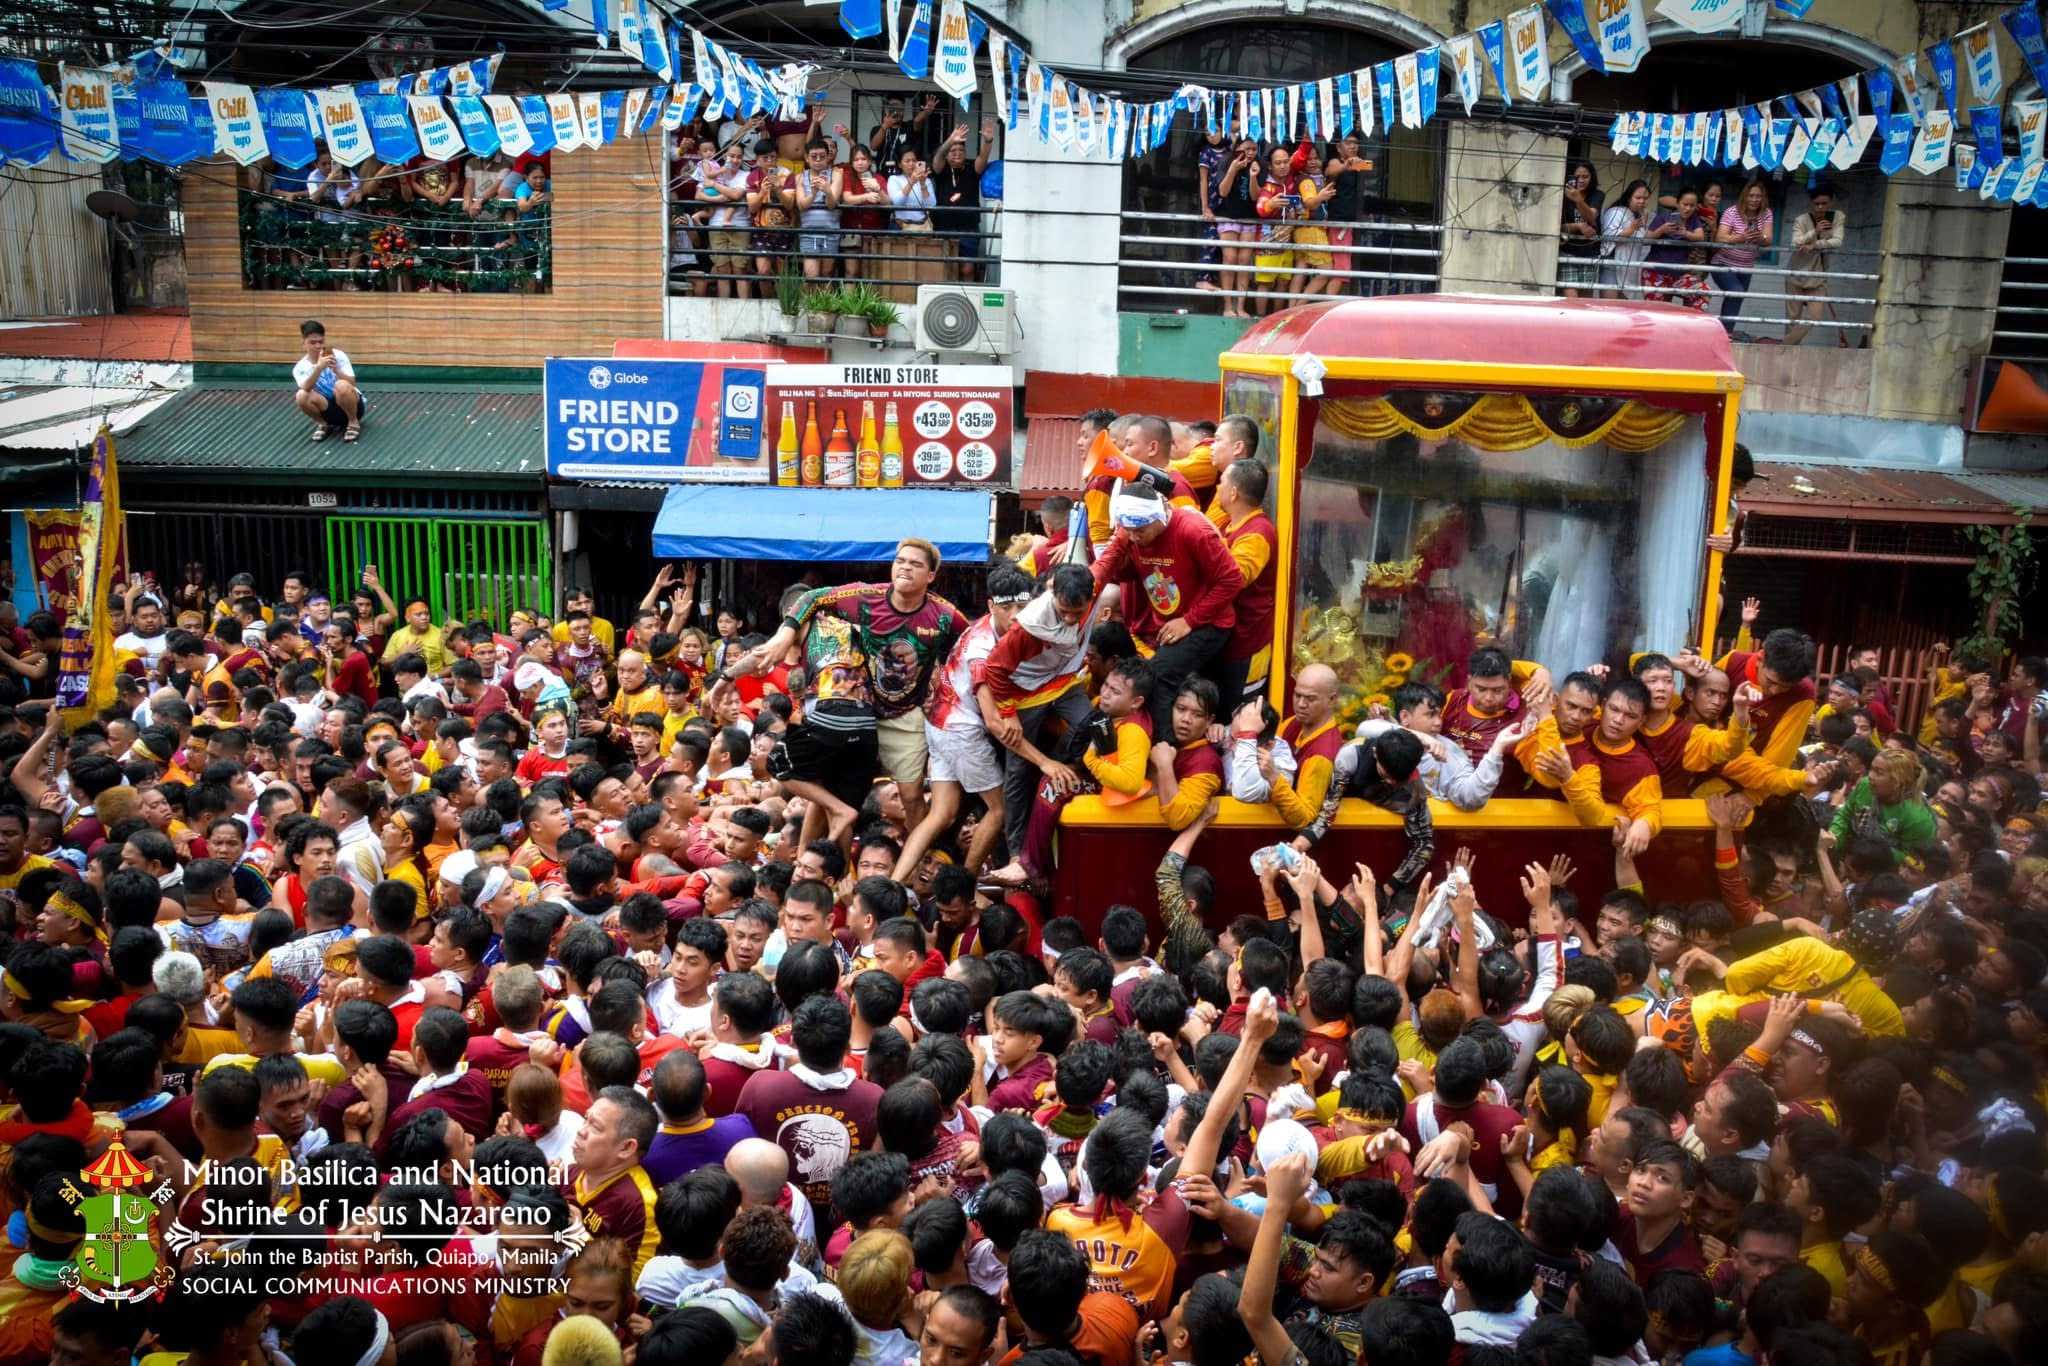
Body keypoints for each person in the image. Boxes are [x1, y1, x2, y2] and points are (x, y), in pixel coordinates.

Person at [727, 538, 964, 847]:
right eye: (900, 561)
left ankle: (920, 862)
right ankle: (809, 863)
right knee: (828, 789)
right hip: (858, 707)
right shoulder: (867, 596)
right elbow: (811, 598)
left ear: (930, 576)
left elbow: (967, 649)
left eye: (915, 564)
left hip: (905, 715)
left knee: (911, 796)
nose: (905, 567)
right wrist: (784, 634)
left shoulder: (945, 615)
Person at [1086, 481, 1243, 736]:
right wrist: (1083, 587)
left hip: (1208, 623)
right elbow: (1109, 560)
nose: (1134, 537)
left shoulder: (1194, 531)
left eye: (1141, 531)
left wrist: (1189, 621)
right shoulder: (1131, 530)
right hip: (1170, 625)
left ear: (1159, 516)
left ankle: (1164, 750)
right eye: (1130, 531)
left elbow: (1232, 580)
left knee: (1156, 679)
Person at [1785, 184, 1848, 346]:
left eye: (1824, 203)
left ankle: (1784, 346)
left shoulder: (1837, 217)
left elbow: (1838, 241)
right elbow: (1794, 243)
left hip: (1819, 274)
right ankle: (1790, 351)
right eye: (1816, 204)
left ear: (1831, 202)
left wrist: (1815, 245)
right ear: (1811, 203)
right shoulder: (1802, 219)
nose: (1820, 207)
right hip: (1797, 272)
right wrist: (1815, 231)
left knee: (1814, 317)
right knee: (1793, 318)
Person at [1713, 180, 1774, 336]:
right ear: (1744, 196)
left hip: (1746, 266)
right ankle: (1724, 333)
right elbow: (1720, 237)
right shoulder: (1731, 212)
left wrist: (1760, 237)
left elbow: (1768, 240)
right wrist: (1740, 237)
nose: (1754, 199)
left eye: (1758, 196)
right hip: (1723, 263)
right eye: (1751, 195)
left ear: (1763, 198)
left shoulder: (1767, 213)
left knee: (1737, 297)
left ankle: (1725, 333)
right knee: (1736, 291)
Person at [292, 319, 364, 444]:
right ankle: (323, 424)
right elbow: (306, 388)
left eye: (321, 342)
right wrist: (319, 368)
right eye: (312, 343)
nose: (317, 346)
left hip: (353, 406)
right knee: (301, 395)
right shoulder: (300, 367)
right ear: (304, 343)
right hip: (327, 409)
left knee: (341, 385)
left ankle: (353, 422)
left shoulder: (338, 355)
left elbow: (352, 383)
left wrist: (336, 369)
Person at [1643, 186, 1712, 312]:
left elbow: (1700, 236)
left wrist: (1686, 233)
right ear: (1677, 203)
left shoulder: (1694, 220)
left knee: (1703, 291)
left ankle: (1690, 326)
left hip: (1678, 274)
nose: (1688, 208)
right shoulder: (1663, 217)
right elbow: (1646, 238)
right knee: (1655, 311)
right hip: (1655, 272)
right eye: (1685, 204)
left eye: (1692, 205)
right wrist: (1661, 230)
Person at [1558, 160, 1604, 298]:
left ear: (1592, 178)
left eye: (1585, 176)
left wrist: (1578, 200)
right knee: (1571, 295)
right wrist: (1578, 226)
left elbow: (1591, 217)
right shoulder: (1562, 195)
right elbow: (1556, 226)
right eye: (1577, 177)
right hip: (1568, 251)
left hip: (1590, 251)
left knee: (1585, 297)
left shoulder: (1597, 195)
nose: (1581, 180)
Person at [1599, 179, 1650, 300]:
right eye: (1638, 198)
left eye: (1645, 198)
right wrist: (1632, 228)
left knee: (1624, 305)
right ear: (1629, 197)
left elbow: (1644, 237)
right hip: (1613, 262)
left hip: (1629, 265)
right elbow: (1610, 237)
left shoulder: (1638, 215)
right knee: (1609, 304)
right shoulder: (1615, 212)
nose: (1642, 201)